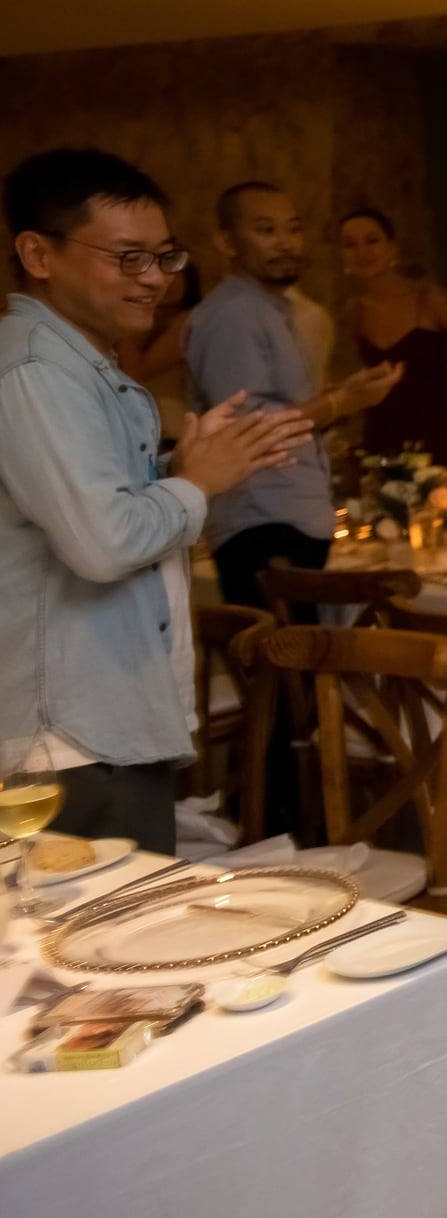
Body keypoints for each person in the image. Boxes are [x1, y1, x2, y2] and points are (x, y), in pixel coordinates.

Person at [2, 150, 310, 850]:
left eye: (164, 256)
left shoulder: (78, 364)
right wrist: (197, 483)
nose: (155, 280)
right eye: (128, 258)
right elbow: (103, 543)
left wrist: (183, 467)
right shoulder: (37, 372)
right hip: (70, 739)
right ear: (38, 255)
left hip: (101, 722)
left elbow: (83, 502)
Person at [188, 183, 402, 613]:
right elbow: (251, 427)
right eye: (266, 230)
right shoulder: (233, 314)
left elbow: (278, 405)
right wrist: (341, 402)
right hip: (261, 519)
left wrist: (344, 396)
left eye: (294, 229)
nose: (285, 243)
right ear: (226, 242)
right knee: (283, 652)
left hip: (287, 514)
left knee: (304, 648)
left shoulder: (272, 310)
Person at [336, 206, 447, 475]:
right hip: (381, 437)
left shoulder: (428, 298)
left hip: (439, 433)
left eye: (372, 240)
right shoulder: (353, 310)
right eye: (350, 244)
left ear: (392, 247)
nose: (362, 252)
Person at [116, 263, 202, 451]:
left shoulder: (189, 320)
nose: (166, 281)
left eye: (176, 274)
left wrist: (119, 326)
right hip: (143, 420)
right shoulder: (152, 319)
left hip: (172, 425)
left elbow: (137, 372)